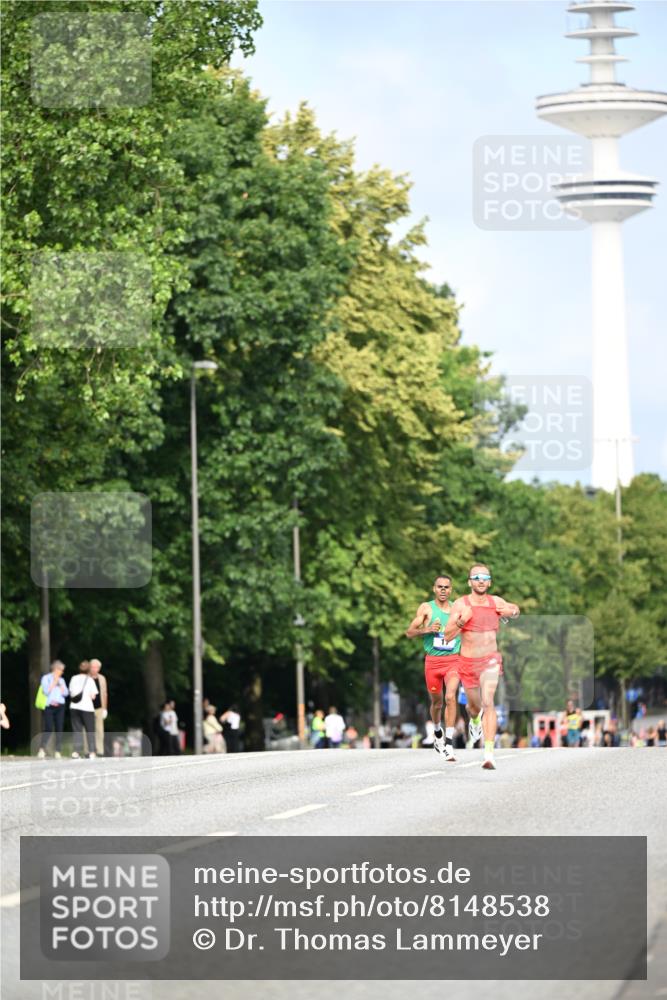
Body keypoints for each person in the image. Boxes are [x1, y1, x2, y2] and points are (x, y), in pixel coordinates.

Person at [445, 563, 520, 771]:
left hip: (490, 660)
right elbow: (447, 635)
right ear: (470, 582)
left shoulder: (495, 602)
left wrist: (510, 611)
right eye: (476, 577)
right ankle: (475, 720)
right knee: (474, 707)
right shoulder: (461, 604)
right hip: (468, 663)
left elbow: (516, 610)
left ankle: (489, 754)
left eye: (485, 577)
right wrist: (462, 621)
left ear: (489, 582)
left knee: (488, 702)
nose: (480, 580)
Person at [405, 575, 461, 762]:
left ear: (451, 589)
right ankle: (438, 732)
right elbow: (409, 632)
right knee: (437, 702)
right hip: (433, 662)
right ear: (434, 589)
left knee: (450, 696)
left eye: (446, 587)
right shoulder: (427, 608)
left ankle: (449, 743)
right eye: (440, 587)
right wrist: (427, 629)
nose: (443, 590)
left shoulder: (457, 609)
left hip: (453, 660)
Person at [37, 660, 69, 758]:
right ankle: (42, 749)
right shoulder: (46, 678)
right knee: (48, 728)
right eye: (61, 670)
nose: (62, 672)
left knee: (59, 728)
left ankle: (58, 751)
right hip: (49, 706)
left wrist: (61, 685)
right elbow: (46, 691)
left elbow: (66, 693)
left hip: (60, 706)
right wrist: (54, 682)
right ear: (55, 669)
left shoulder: (62, 680)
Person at [68, 661, 98, 759]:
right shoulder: (90, 680)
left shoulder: (73, 678)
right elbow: (93, 696)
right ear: (88, 670)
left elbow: (71, 692)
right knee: (90, 730)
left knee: (77, 730)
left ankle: (76, 752)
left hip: (74, 707)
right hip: (87, 707)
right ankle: (92, 752)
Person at [88, 658, 108, 756]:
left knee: (99, 730)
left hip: (99, 707)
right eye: (92, 667)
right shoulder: (86, 678)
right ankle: (88, 750)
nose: (94, 669)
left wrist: (105, 708)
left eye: (96, 667)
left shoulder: (102, 678)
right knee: (88, 730)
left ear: (99, 668)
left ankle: (100, 751)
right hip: (87, 707)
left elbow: (104, 694)